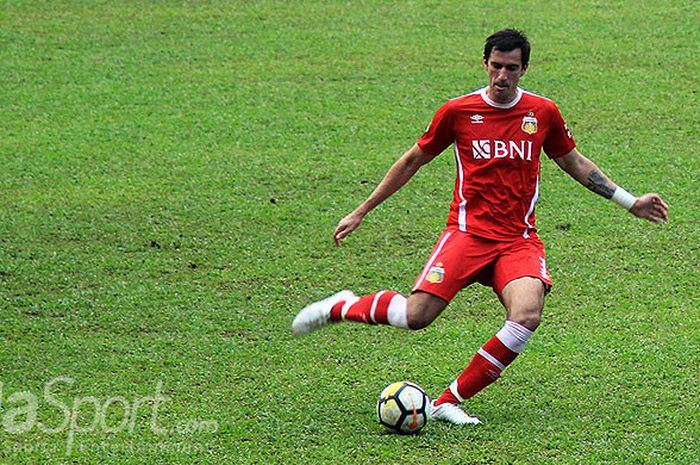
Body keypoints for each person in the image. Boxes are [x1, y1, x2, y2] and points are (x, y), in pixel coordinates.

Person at [292, 29, 669, 425]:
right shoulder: (457, 112)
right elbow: (411, 161)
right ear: (485, 64)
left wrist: (630, 202)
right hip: (467, 235)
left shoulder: (542, 113)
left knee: (526, 315)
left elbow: (575, 162)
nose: (502, 76)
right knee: (415, 317)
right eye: (496, 66)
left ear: (524, 68)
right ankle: (342, 306)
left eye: (511, 68)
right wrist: (363, 209)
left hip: (518, 241)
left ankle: (448, 401)